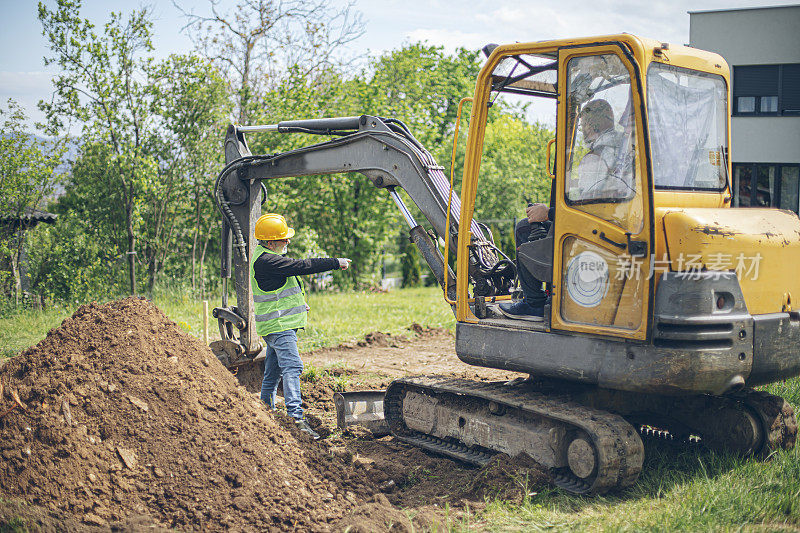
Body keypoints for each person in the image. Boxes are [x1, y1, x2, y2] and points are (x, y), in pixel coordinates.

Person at [499, 99, 619, 321]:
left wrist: (548, 213)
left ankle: (534, 303)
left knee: (524, 228)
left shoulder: (595, 158)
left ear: (593, 125)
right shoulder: (620, 149)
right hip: (610, 223)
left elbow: (586, 210)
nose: (582, 130)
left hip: (591, 232)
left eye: (583, 125)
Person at [251, 213, 351, 439]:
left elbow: (280, 290)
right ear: (269, 242)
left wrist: (298, 304)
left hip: (276, 325)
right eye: (283, 238)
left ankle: (266, 409)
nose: (287, 241)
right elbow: (301, 266)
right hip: (280, 326)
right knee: (293, 366)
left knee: (273, 371)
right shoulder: (267, 260)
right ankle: (296, 418)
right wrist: (335, 262)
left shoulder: (265, 257)